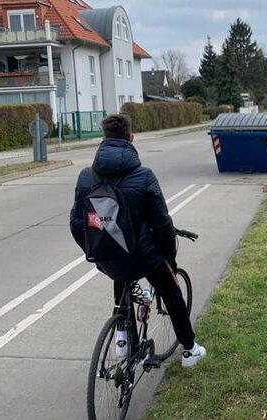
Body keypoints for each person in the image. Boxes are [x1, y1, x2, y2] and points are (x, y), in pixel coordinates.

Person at [70, 114, 206, 368]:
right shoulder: (143, 176)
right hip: (145, 257)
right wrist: (170, 260)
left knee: (120, 280)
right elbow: (163, 225)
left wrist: (96, 252)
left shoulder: (86, 176)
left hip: (107, 255)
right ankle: (190, 350)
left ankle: (122, 340)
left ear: (103, 139)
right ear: (131, 139)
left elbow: (76, 224)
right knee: (171, 292)